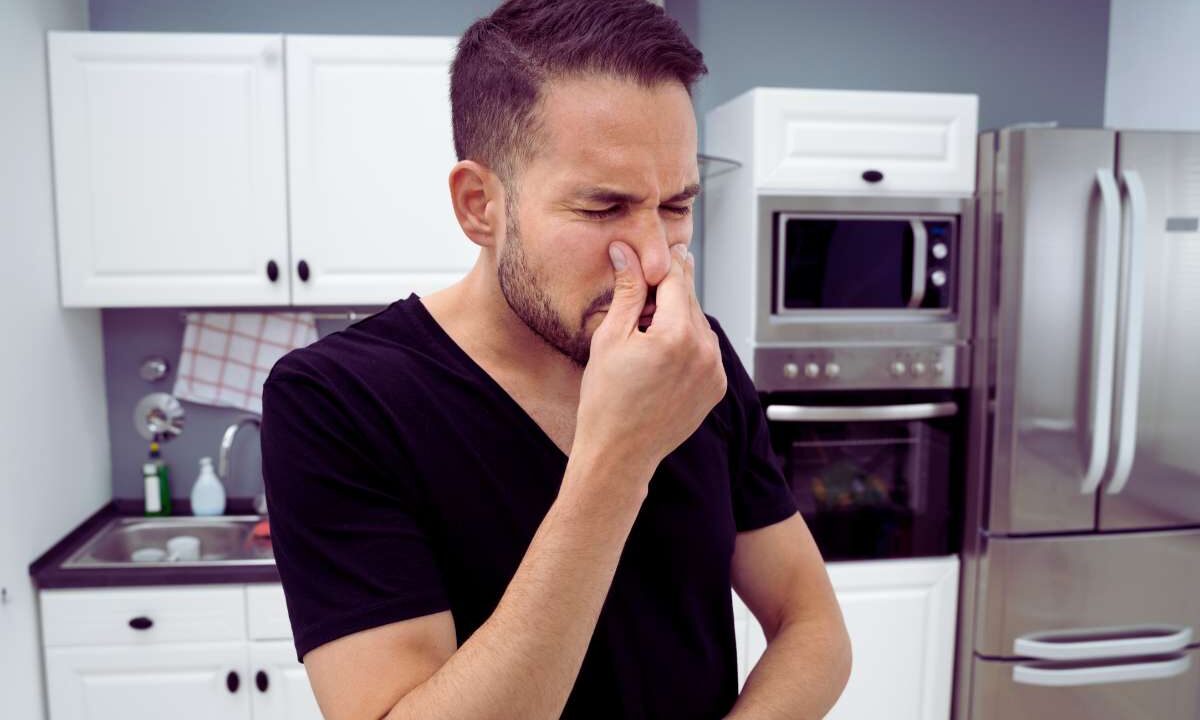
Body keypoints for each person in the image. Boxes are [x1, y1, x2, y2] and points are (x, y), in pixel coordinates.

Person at [260, 1, 851, 718]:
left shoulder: (695, 360)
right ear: (480, 205)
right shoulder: (336, 399)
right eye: (602, 209)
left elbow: (812, 625)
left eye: (676, 206)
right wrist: (621, 459)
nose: (655, 258)